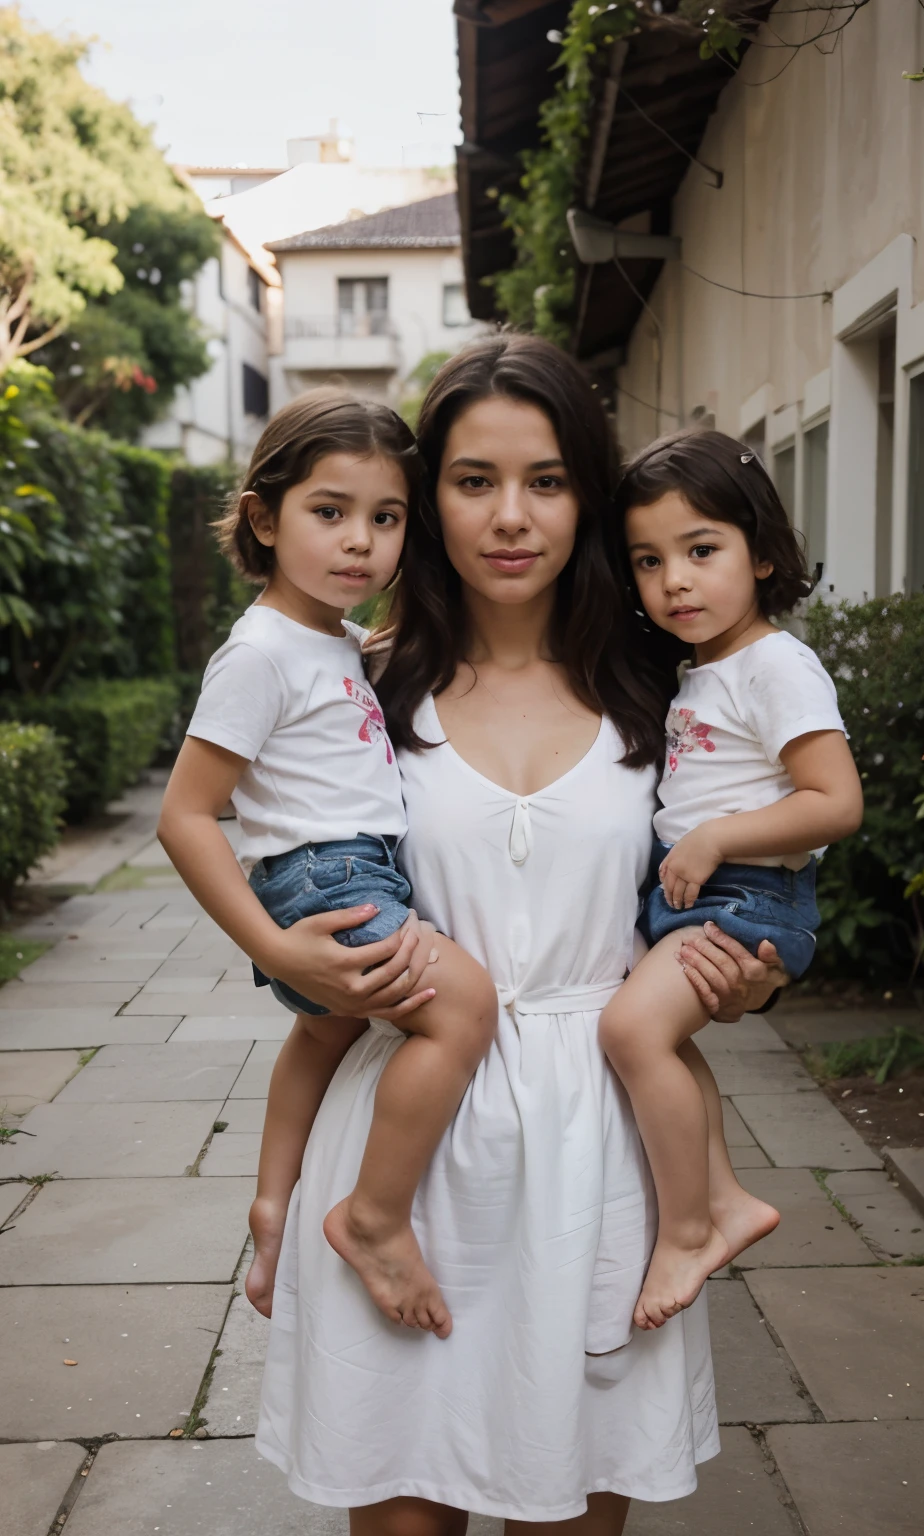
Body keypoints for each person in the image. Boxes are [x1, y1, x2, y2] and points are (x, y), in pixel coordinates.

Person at [253, 337, 788, 1530]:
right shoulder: (352, 694)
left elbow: (747, 897)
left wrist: (743, 979)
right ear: (423, 495)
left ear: (587, 494)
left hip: (594, 1167)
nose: (510, 517)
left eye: (545, 480)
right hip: (405, 1157)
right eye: (472, 479)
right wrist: (277, 1190)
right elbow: (314, 939)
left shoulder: (673, 692)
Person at [157, 390, 497, 1340]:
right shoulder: (259, 653)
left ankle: (274, 1206)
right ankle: (375, 1218)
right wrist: (273, 945)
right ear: (264, 519)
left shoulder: (335, 642)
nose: (361, 542)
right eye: (329, 512)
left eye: (386, 519)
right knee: (464, 1007)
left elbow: (376, 657)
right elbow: (185, 815)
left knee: (326, 1034)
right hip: (328, 879)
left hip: (364, 869)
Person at [599, 430, 863, 1331]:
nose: (675, 579)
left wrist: (714, 837)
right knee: (663, 1044)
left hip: (750, 892)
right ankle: (724, 1198)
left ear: (761, 551)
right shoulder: (700, 673)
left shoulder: (775, 664)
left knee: (632, 1031)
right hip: (707, 893)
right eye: (648, 560)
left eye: (701, 550)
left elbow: (836, 802)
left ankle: (688, 1229)